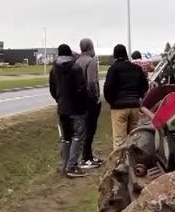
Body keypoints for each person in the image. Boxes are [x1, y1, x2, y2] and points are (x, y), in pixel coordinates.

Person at [48, 43, 89, 178]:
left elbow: (52, 89)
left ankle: (65, 164)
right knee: (77, 136)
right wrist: (83, 104)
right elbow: (81, 88)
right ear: (70, 53)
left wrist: (59, 100)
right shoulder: (76, 67)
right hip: (76, 108)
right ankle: (72, 166)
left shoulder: (54, 70)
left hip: (62, 108)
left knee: (66, 138)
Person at [104, 44, 149, 147]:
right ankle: (133, 160)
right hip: (134, 106)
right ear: (126, 54)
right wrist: (139, 96)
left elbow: (107, 88)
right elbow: (144, 86)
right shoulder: (136, 68)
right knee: (134, 138)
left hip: (119, 107)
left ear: (115, 55)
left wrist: (112, 102)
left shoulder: (113, 69)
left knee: (120, 139)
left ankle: (120, 161)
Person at [75, 37, 102, 168]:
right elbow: (92, 81)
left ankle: (88, 156)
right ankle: (86, 158)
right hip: (90, 100)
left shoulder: (77, 61)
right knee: (90, 129)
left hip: (79, 100)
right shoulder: (91, 61)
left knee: (84, 129)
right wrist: (96, 95)